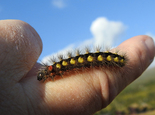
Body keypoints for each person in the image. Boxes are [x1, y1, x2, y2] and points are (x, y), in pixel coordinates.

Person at [0, 20, 154, 115]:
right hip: (106, 60)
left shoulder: (54, 70)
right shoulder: (54, 69)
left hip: (109, 59)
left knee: (79, 61)